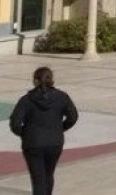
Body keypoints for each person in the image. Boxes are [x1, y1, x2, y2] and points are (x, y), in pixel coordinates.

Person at [9, 66, 78, 195]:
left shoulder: (26, 100)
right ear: (51, 79)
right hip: (55, 142)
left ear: (35, 81)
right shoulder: (62, 97)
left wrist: (25, 133)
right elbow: (73, 117)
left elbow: (15, 123)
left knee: (38, 179)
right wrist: (61, 128)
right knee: (48, 174)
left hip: (33, 143)